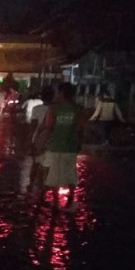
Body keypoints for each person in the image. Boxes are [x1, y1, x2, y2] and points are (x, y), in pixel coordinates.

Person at [41, 82, 85, 210]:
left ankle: (56, 202)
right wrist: (79, 144)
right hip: (71, 146)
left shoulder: (54, 109)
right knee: (70, 172)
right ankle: (70, 198)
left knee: (54, 174)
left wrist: (42, 143)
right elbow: (80, 129)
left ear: (61, 93)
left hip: (55, 146)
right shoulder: (78, 109)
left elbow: (48, 127)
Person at [24, 85, 54, 200]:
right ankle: (43, 190)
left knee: (35, 164)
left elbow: (33, 127)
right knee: (47, 167)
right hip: (50, 141)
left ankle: (31, 185)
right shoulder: (55, 109)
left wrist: (29, 140)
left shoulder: (37, 109)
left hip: (37, 140)